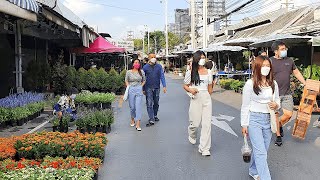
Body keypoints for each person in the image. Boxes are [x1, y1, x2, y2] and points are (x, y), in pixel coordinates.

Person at [241, 55, 280, 180]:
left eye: (268, 66)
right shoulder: (250, 84)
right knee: (261, 152)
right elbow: (245, 106)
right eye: (263, 65)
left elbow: (277, 101)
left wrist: (276, 105)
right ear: (257, 67)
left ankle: (253, 170)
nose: (266, 68)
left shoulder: (273, 83)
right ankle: (265, 178)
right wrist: (244, 124)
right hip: (254, 120)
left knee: (263, 150)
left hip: (268, 120)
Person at [270, 41, 306, 146]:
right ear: (276, 51)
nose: (284, 51)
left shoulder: (289, 61)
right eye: (282, 49)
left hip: (286, 94)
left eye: (285, 49)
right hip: (274, 94)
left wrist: (304, 83)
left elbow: (296, 72)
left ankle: (278, 126)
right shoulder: (270, 61)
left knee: (288, 115)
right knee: (276, 115)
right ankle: (278, 136)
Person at [183, 50, 213, 156]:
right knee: (195, 123)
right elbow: (185, 85)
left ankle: (204, 148)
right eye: (200, 58)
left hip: (206, 98)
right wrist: (191, 90)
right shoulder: (191, 72)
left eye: (204, 57)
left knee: (206, 124)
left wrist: (207, 97)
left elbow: (210, 88)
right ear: (196, 59)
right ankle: (192, 133)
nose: (202, 59)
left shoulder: (209, 72)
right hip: (195, 97)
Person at [143, 54, 167, 126]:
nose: (153, 58)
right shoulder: (145, 67)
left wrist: (164, 86)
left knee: (156, 102)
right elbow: (143, 79)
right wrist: (143, 89)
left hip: (157, 87)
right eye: (152, 57)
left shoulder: (159, 66)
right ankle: (151, 118)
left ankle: (155, 115)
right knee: (149, 103)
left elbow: (162, 76)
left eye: (154, 57)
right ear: (149, 58)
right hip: (148, 87)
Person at [125, 59, 146, 131]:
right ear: (133, 64)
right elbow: (126, 80)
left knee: (138, 107)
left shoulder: (141, 72)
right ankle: (132, 119)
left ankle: (138, 124)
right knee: (132, 107)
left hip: (138, 89)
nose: (137, 64)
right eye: (136, 62)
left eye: (138, 63)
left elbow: (144, 80)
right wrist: (128, 86)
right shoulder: (129, 72)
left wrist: (141, 86)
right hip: (131, 89)